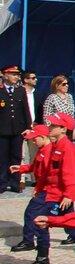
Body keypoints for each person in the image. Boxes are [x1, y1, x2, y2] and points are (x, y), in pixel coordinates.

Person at [16, 113, 75, 264]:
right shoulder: (55, 145)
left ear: (63, 129)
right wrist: (40, 186)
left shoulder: (67, 147)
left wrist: (68, 194)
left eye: (53, 126)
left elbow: (68, 173)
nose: (50, 127)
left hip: (58, 195)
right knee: (70, 223)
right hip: (52, 192)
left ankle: (43, 260)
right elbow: (48, 172)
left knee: (40, 221)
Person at [9, 125, 55, 253]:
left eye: (35, 139)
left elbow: (48, 175)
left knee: (31, 213)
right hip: (43, 189)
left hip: (46, 190)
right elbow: (36, 166)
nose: (33, 142)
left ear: (43, 137)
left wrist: (39, 188)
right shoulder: (42, 150)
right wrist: (21, 168)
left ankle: (29, 241)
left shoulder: (48, 152)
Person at [0, 64, 32, 193]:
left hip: (17, 130)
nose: (16, 77)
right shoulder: (1, 90)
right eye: (13, 74)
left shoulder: (20, 90)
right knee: (2, 158)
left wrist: (28, 126)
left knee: (16, 157)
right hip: (2, 130)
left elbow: (25, 110)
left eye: (17, 75)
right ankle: (2, 183)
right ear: (5, 75)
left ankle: (15, 182)